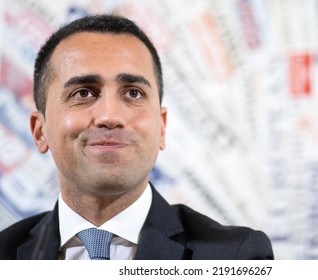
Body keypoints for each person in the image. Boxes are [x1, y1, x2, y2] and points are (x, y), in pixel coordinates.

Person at [0, 14, 274, 260]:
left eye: (133, 93)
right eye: (83, 92)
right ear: (39, 131)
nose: (109, 116)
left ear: (162, 128)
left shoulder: (236, 256)